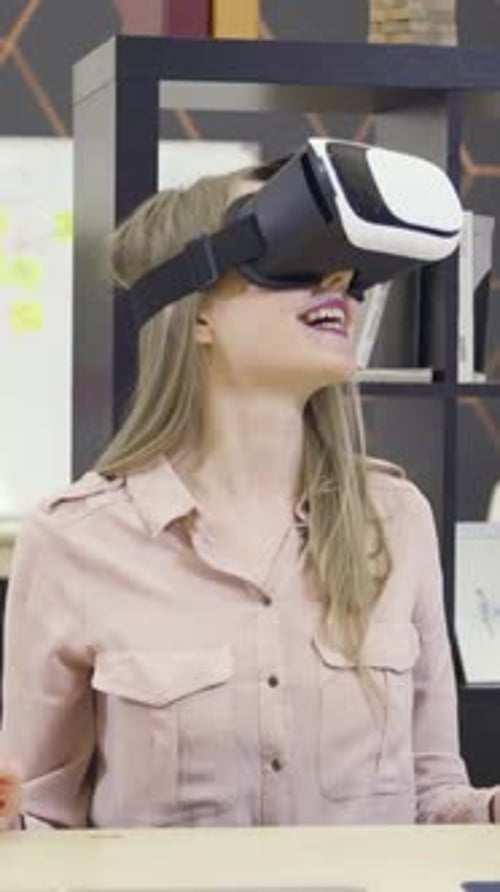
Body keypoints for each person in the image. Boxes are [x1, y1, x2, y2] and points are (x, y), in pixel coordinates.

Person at [1, 151, 499, 830]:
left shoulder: (397, 522)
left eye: (349, 267)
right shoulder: (74, 544)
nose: (338, 280)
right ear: (197, 313)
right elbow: (42, 822)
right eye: (291, 251)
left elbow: (433, 797)